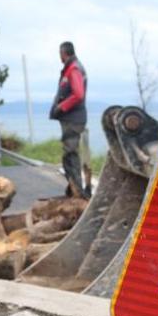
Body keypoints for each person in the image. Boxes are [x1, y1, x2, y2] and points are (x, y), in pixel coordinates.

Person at [48, 40, 90, 198]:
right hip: (71, 119)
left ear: (63, 53)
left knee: (70, 155)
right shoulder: (70, 69)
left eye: (60, 54)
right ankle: (74, 189)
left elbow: (78, 95)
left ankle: (78, 193)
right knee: (69, 154)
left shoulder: (73, 69)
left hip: (74, 119)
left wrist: (61, 107)